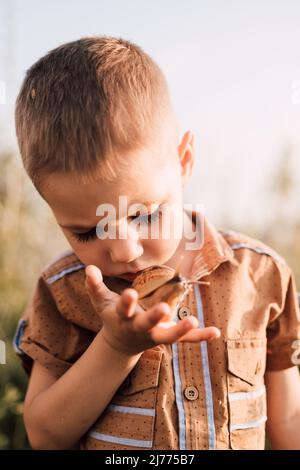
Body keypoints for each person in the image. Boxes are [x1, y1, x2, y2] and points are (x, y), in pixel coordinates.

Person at [13, 36, 300, 450]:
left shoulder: (261, 275)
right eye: (88, 232)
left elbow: (288, 416)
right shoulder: (65, 292)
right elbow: (45, 435)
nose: (124, 250)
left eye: (143, 215)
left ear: (183, 161)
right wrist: (115, 347)